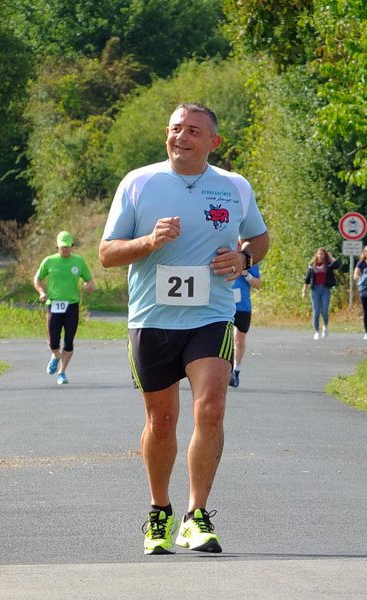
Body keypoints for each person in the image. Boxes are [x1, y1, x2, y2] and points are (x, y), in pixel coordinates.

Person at [99, 102, 269, 555]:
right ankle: (159, 512)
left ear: (213, 142)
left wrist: (245, 258)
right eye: (176, 128)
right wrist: (149, 242)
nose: (182, 137)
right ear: (166, 135)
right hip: (152, 317)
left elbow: (259, 237)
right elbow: (107, 253)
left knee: (210, 410)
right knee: (162, 420)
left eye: (194, 130)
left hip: (210, 315)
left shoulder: (234, 187)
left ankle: (198, 516)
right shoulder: (139, 182)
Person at [33, 231, 95, 385]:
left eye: (67, 247)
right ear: (57, 246)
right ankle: (55, 355)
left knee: (69, 341)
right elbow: (38, 278)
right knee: (53, 340)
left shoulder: (79, 262)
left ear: (71, 246)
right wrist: (41, 292)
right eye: (62, 247)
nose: (65, 250)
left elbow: (89, 279)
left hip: (72, 305)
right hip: (54, 304)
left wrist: (89, 285)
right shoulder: (49, 261)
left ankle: (62, 372)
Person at [229, 243, 262, 387]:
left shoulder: (248, 262)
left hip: (243, 307)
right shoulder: (222, 259)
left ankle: (236, 369)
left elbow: (258, 284)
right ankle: (227, 370)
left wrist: (246, 275)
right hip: (224, 306)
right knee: (224, 339)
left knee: (239, 340)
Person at [301, 247, 340, 340]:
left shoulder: (328, 265)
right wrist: (304, 291)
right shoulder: (311, 266)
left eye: (322, 254)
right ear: (316, 255)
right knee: (316, 311)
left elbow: (337, 265)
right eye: (318, 254)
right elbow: (307, 280)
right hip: (315, 290)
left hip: (325, 289)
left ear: (324, 255)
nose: (320, 256)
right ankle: (316, 331)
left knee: (324, 311)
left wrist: (330, 256)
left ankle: (325, 326)